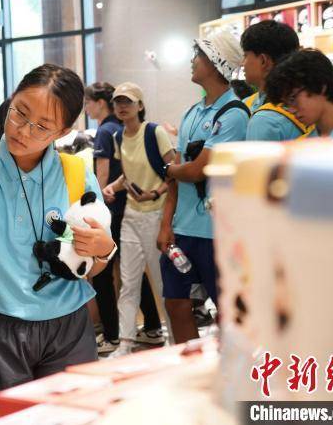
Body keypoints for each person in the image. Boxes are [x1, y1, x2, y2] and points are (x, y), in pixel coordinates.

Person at [0, 64, 116, 423]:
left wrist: (104, 249)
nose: (22, 130)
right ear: (11, 100)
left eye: (42, 126)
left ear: (63, 130)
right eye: (19, 112)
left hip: (68, 326)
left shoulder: (77, 174)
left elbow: (93, 263)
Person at [157, 31, 248, 344]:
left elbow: (198, 170)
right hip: (183, 231)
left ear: (216, 62)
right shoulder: (191, 113)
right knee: (175, 303)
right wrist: (166, 223)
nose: (192, 61)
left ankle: (234, 379)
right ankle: (188, 371)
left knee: (228, 312)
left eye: (199, 55)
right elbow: (177, 178)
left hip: (217, 233)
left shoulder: (235, 115)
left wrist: (171, 168)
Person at [102, 82, 175, 357]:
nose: (122, 106)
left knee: (161, 282)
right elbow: (127, 176)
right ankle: (125, 343)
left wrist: (156, 191)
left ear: (140, 106)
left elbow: (174, 171)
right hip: (132, 216)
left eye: (128, 102)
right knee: (128, 282)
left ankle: (172, 337)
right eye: (118, 102)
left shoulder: (154, 133)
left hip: (156, 215)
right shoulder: (119, 137)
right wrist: (113, 187)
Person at [84, 82, 125, 354]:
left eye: (88, 102)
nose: (86, 108)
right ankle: (152, 326)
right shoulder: (122, 128)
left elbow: (101, 176)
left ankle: (111, 334)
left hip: (110, 209)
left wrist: (94, 207)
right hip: (127, 206)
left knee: (103, 274)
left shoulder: (104, 132)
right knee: (130, 272)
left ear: (100, 102)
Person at [266, 48, 333, 138]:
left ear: (320, 85)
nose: (291, 110)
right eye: (286, 105)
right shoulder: (302, 146)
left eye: (292, 99)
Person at [240, 20, 306, 141]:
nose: (242, 63)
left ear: (263, 61)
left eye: (245, 56)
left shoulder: (266, 119)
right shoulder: (309, 104)